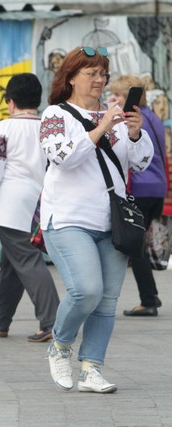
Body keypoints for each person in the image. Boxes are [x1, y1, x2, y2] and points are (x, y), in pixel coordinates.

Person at [40, 46, 153, 393]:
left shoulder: (115, 115)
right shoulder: (55, 115)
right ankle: (60, 345)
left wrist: (135, 133)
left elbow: (140, 163)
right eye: (91, 74)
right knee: (86, 290)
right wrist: (101, 127)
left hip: (112, 222)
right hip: (68, 219)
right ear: (71, 78)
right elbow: (62, 156)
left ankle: (92, 369)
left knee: (107, 300)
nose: (99, 80)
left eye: (103, 74)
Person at [0, 73, 60, 343]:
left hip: (11, 209)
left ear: (10, 101)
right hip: (41, 206)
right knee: (13, 264)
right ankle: (1, 319)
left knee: (27, 261)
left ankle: (53, 322)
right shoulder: (49, 129)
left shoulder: (3, 128)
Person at [107, 75, 167, 316]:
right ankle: (150, 297)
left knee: (135, 246)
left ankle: (149, 300)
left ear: (131, 97)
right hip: (157, 188)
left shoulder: (133, 121)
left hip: (140, 188)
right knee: (138, 243)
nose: (114, 98)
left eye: (118, 95)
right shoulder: (153, 117)